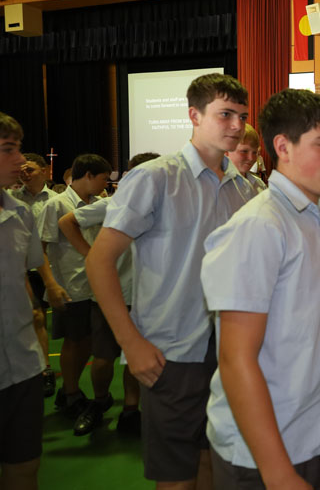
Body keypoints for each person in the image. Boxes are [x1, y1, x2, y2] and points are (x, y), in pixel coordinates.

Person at [86, 73, 253, 490]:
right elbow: (99, 262)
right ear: (194, 115)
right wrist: (130, 343)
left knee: (214, 461)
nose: (237, 125)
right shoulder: (155, 178)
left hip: (230, 351)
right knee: (176, 477)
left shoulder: (244, 189)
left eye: (242, 116)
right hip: (172, 353)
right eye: (226, 114)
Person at [201, 88, 320, 490]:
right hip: (271, 447)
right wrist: (276, 471)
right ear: (283, 147)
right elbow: (236, 359)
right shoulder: (258, 227)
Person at [58, 152, 160, 436]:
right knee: (103, 358)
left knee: (135, 358)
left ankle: (130, 409)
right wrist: (90, 255)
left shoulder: (163, 206)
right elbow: (67, 222)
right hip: (111, 294)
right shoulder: (114, 203)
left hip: (146, 297)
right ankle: (99, 401)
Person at [39, 153, 112, 422]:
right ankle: (70, 394)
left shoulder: (97, 203)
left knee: (87, 341)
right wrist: (51, 283)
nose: (105, 185)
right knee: (73, 342)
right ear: (88, 175)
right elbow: (40, 249)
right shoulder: (57, 205)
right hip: (69, 284)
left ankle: (70, 389)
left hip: (91, 285)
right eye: (103, 179)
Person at [0, 112, 47, 490]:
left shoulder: (21, 214)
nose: (21, 160)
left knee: (24, 466)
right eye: (8, 149)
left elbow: (23, 277)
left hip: (21, 366)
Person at [11, 152, 60, 396]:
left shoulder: (56, 200)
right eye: (22, 170)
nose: (25, 174)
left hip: (46, 267)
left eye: (29, 169)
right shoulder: (11, 199)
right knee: (30, 318)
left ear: (44, 170)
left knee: (41, 319)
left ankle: (45, 370)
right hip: (17, 269)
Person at [226, 123, 267, 193]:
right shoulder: (217, 185)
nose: (251, 158)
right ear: (226, 151)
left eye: (255, 153)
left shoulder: (259, 185)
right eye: (244, 151)